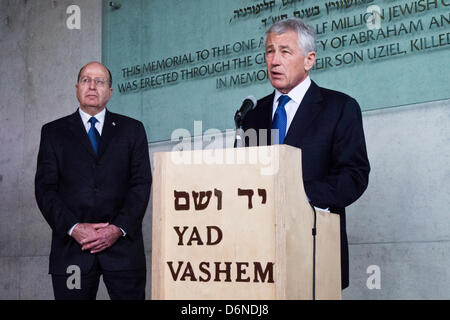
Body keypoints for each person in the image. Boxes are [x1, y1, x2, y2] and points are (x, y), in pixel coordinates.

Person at [242, 19, 370, 289]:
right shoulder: (252, 115)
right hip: (257, 257)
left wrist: (299, 197)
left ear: (309, 59)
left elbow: (354, 175)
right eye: (269, 51)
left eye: (285, 51)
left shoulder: (339, 107)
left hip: (314, 249)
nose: (274, 61)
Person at [35, 61, 152, 299]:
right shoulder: (53, 132)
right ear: (77, 87)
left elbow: (140, 184)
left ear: (110, 92)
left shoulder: (132, 129)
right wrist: (73, 227)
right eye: (86, 80)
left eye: (100, 81)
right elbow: (45, 189)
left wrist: (117, 229)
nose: (92, 86)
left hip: (123, 250)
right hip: (72, 250)